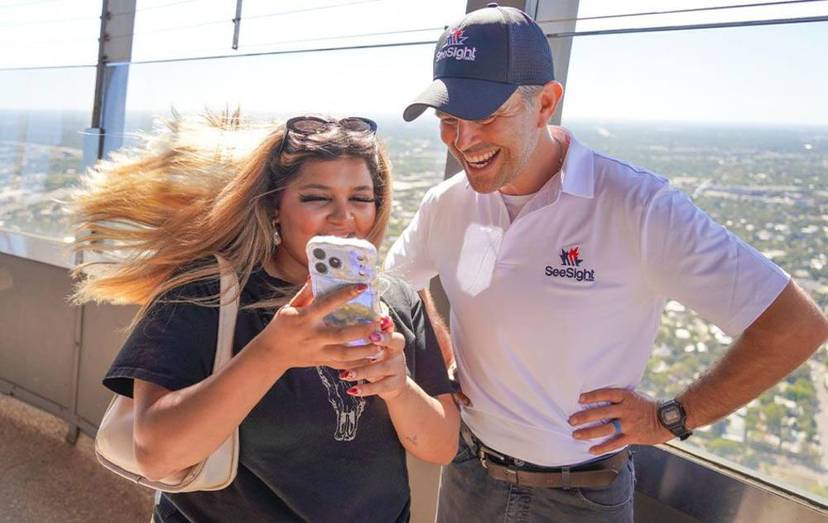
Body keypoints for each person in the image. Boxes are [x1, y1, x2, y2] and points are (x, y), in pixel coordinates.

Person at [384, 4, 828, 522]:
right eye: (449, 121)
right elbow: (396, 282)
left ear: (545, 103)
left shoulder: (638, 207)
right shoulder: (447, 203)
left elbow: (794, 326)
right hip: (469, 473)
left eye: (485, 118)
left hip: (582, 496)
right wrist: (437, 351)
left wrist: (670, 417)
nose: (464, 141)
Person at [72, 113, 459, 522]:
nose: (343, 217)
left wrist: (398, 389)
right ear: (275, 206)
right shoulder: (206, 292)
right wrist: (273, 352)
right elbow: (156, 456)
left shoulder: (396, 300)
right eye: (317, 198)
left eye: (361, 199)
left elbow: (441, 447)